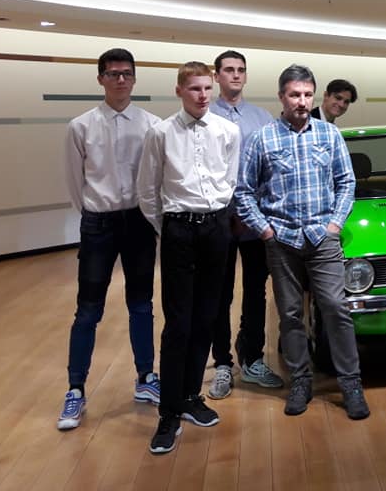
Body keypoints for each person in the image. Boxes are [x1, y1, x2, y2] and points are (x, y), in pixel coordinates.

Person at [235, 64, 369, 420]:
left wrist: (335, 225)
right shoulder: (262, 138)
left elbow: (346, 183)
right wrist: (265, 230)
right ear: (282, 97)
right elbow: (244, 192)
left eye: (307, 95)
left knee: (335, 309)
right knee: (291, 315)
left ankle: (351, 383)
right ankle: (300, 380)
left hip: (322, 239)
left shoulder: (329, 135)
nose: (302, 101)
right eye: (295, 95)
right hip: (282, 240)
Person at [137, 62, 241, 454]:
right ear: (179, 90)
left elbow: (229, 181)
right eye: (194, 88)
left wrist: (214, 219)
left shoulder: (228, 131)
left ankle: (190, 396)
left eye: (206, 88)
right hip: (179, 228)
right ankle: (168, 413)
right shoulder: (160, 133)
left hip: (216, 227)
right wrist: (171, 230)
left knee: (208, 316)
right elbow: (147, 191)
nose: (202, 95)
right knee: (178, 322)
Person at [58, 48, 162, 431]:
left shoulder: (153, 125)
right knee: (88, 310)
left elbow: (154, 179)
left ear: (134, 79)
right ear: (100, 78)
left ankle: (146, 379)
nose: (121, 80)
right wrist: (91, 214)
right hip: (98, 223)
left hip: (137, 222)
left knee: (141, 304)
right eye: (113, 73)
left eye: (127, 74)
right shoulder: (80, 126)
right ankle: (75, 390)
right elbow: (74, 181)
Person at [206, 51, 283, 400]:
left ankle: (252, 358)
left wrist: (257, 213)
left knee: (256, 292)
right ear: (217, 75)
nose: (235, 75)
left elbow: (270, 169)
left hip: (255, 222)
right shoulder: (204, 116)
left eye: (240, 70)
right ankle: (222, 362)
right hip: (219, 221)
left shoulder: (262, 118)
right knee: (219, 293)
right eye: (228, 70)